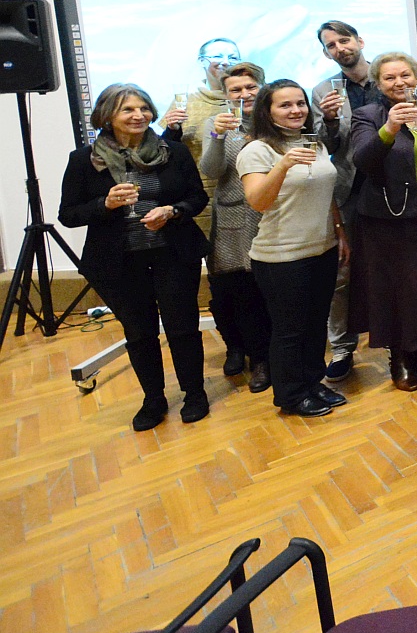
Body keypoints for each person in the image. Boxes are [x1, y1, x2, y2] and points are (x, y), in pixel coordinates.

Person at [60, 84, 212, 430]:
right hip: (119, 262)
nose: (138, 115)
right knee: (139, 332)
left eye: (144, 108)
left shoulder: (173, 151)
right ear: (107, 116)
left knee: (183, 327)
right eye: (127, 109)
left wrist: (172, 210)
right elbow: (68, 214)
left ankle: (195, 393)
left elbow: (197, 197)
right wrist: (104, 204)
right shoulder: (84, 160)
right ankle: (153, 399)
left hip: (173, 253)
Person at [238, 79, 346, 418]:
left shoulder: (314, 142)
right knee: (290, 330)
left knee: (315, 325)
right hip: (281, 255)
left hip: (323, 249)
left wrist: (340, 232)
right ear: (267, 111)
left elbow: (325, 191)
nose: (296, 110)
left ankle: (313, 384)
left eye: (300, 103)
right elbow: (258, 201)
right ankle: (290, 395)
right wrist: (283, 165)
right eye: (285, 105)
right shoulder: (257, 150)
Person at [350, 52, 417, 392]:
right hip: (391, 214)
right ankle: (401, 357)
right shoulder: (368, 115)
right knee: (399, 286)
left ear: (416, 76)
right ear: (378, 83)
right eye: (390, 77)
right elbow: (363, 159)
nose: (399, 82)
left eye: (405, 75)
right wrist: (389, 128)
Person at [309, 20, 381, 383]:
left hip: (393, 185)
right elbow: (324, 146)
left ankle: (404, 342)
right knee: (343, 272)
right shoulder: (323, 90)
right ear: (326, 54)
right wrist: (330, 120)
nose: (340, 48)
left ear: (360, 41)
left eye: (344, 40)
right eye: (331, 45)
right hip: (350, 189)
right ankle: (342, 348)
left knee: (397, 265)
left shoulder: (388, 74)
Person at [198, 62, 272, 391]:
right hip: (234, 219)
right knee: (239, 293)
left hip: (274, 215)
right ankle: (255, 357)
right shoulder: (216, 124)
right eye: (236, 90)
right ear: (225, 95)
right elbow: (212, 170)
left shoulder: (277, 118)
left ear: (263, 87)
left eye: (251, 87)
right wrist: (216, 136)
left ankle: (272, 354)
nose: (245, 94)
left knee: (271, 291)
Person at [160, 36, 243, 236]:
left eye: (233, 57)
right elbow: (166, 151)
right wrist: (172, 129)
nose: (226, 62)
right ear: (201, 61)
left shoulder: (250, 102)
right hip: (200, 196)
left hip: (244, 192)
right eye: (217, 56)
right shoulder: (185, 102)